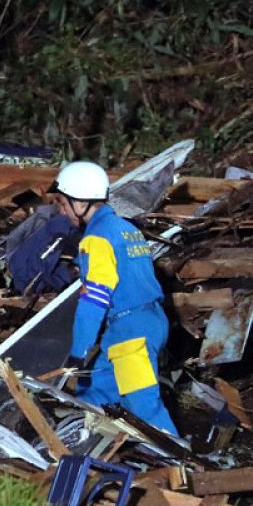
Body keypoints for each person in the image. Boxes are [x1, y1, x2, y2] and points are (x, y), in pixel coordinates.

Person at [55, 161, 179, 437]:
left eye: (63, 204)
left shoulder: (96, 239)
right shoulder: (127, 229)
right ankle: (87, 444)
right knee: (94, 390)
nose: (62, 212)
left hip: (130, 333)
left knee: (145, 407)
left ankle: (183, 465)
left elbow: (94, 299)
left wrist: (79, 350)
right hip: (145, 322)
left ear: (80, 202)